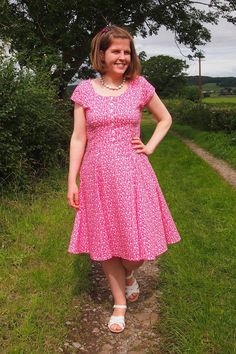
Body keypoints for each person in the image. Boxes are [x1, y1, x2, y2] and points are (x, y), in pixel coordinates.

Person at [67, 25, 181, 334]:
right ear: (101, 54)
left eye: (126, 51)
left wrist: (150, 146)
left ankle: (129, 273)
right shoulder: (84, 90)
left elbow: (165, 118)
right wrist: (72, 181)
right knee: (106, 240)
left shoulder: (140, 85)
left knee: (139, 248)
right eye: (115, 51)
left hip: (134, 174)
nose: (122, 57)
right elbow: (78, 138)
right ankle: (119, 302)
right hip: (97, 175)